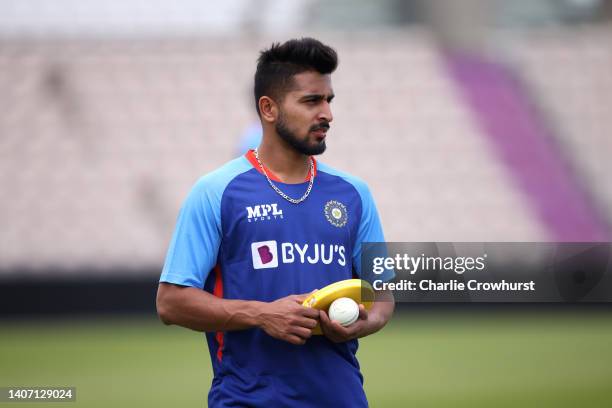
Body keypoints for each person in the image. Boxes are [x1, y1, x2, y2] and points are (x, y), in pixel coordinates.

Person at [156, 37, 395, 407]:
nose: (327, 114)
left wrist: (367, 321)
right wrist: (261, 314)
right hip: (248, 400)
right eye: (311, 101)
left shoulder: (355, 193)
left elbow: (381, 295)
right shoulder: (215, 192)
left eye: (329, 100)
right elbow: (170, 303)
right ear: (268, 108)